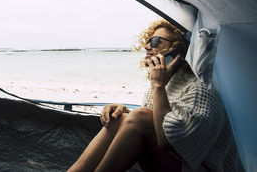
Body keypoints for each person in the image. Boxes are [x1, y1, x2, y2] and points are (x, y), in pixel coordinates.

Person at [68, 19, 244, 172]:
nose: (146, 46)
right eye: (148, 41)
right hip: (174, 164)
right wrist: (123, 111)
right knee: (118, 118)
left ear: (177, 50)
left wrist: (158, 85)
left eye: (156, 41)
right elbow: (150, 123)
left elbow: (166, 140)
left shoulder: (200, 90)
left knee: (140, 115)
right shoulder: (163, 85)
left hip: (200, 168)